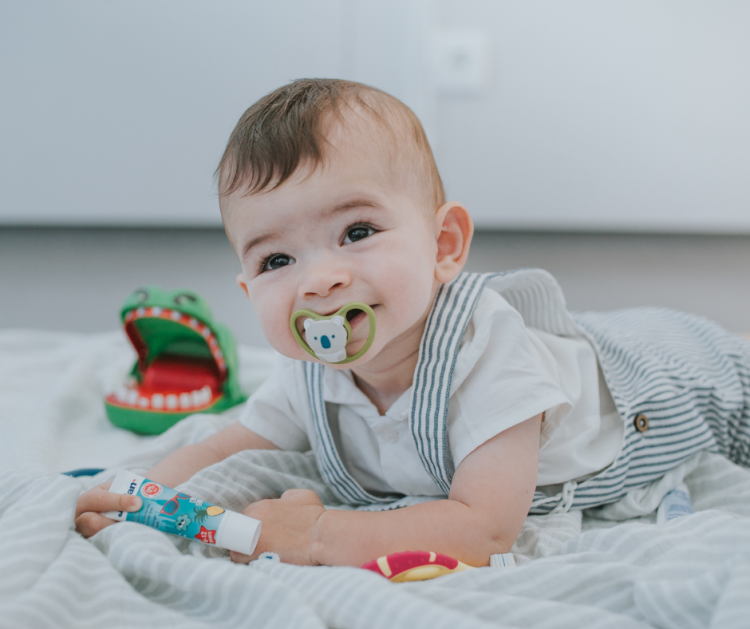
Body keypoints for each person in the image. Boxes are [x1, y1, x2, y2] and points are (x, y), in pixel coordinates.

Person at [75, 79, 750, 568]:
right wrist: (141, 493)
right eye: (278, 257)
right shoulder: (312, 367)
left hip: (682, 381)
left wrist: (314, 534)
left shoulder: (486, 353)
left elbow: (483, 529)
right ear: (249, 287)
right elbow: (231, 442)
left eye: (357, 230)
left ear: (444, 244)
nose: (319, 279)